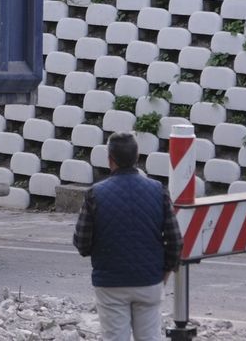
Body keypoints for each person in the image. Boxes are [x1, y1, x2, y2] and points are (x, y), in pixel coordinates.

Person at [73, 132, 182, 341]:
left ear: (110, 159)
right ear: (137, 157)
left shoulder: (95, 194)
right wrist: (164, 275)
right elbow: (175, 241)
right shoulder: (158, 190)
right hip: (149, 281)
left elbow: (82, 245)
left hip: (110, 283)